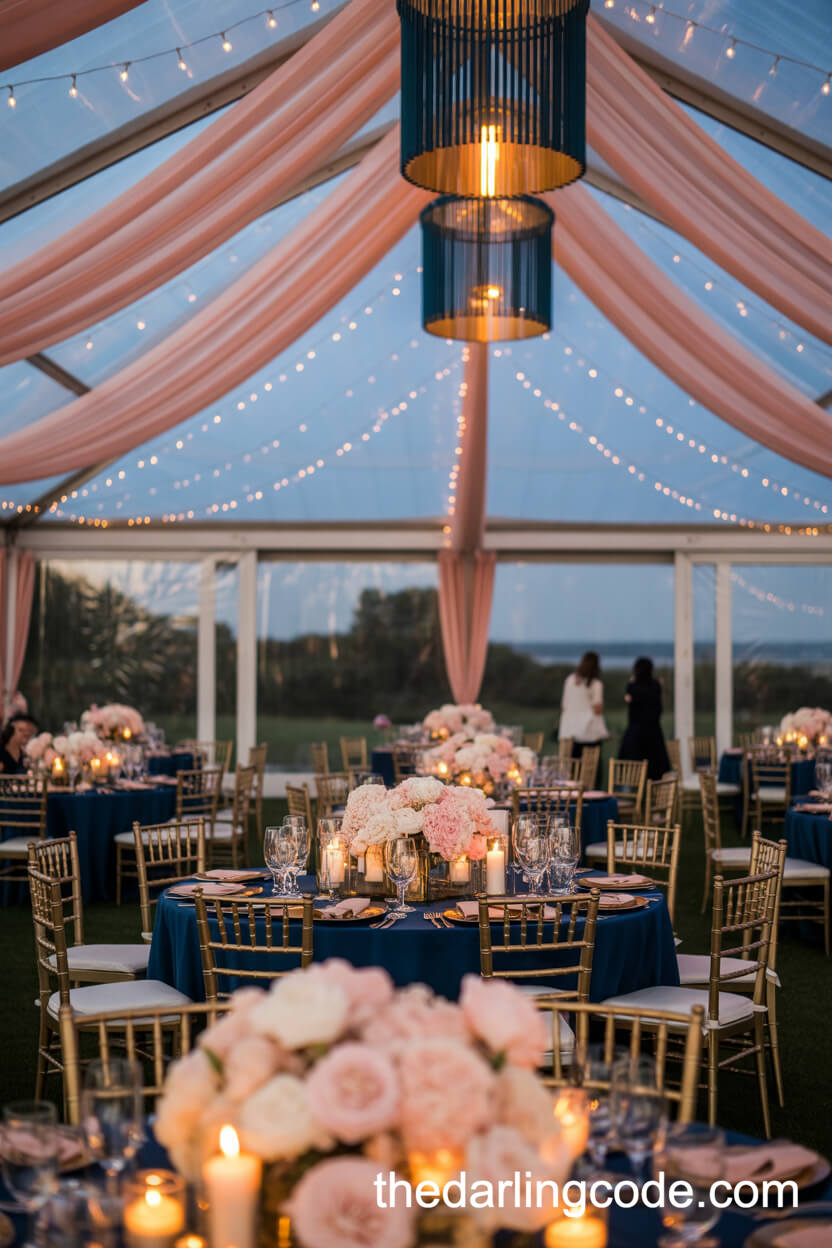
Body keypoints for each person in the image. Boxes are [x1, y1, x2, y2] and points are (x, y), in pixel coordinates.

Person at [618, 656, 670, 780]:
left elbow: (628, 700)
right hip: (654, 733)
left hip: (635, 733)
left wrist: (631, 683)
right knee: (655, 769)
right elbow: (659, 708)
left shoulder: (633, 687)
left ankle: (630, 793)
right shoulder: (656, 686)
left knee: (632, 769)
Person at [558, 651, 609, 759]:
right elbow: (598, 709)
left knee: (571, 768)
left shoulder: (570, 680)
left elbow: (563, 705)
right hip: (589, 733)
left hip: (570, 731)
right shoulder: (596, 684)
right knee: (589, 770)